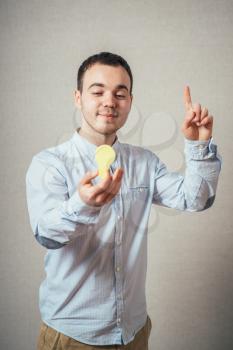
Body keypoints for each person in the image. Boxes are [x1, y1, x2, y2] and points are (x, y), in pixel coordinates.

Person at [25, 52, 222, 350]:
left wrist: (198, 143)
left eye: (121, 93)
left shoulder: (144, 163)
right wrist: (83, 204)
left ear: (130, 101)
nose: (110, 101)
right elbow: (47, 233)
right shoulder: (51, 164)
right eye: (98, 91)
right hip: (73, 337)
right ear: (78, 98)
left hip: (133, 334)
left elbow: (195, 199)